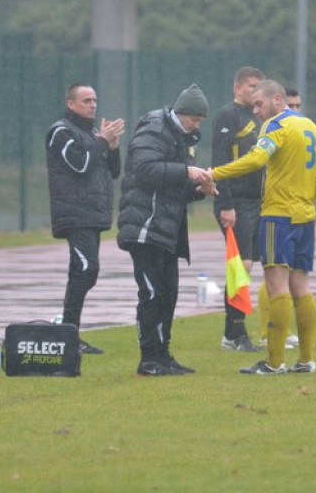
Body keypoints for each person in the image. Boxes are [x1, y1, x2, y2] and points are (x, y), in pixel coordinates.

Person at [210, 79, 316, 375]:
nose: (256, 111)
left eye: (259, 104)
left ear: (277, 100)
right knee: (301, 287)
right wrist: (306, 197)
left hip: (278, 216)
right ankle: (306, 359)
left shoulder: (275, 127)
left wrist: (215, 173)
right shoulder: (310, 126)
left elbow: (256, 159)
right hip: (305, 216)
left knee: (277, 286)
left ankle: (275, 362)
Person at [117, 84, 217, 376]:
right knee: (151, 293)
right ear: (181, 113)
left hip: (167, 228)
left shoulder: (184, 139)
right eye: (194, 120)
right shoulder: (153, 128)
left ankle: (163, 356)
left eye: (200, 122)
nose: (196, 126)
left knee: (169, 293)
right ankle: (149, 359)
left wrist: (201, 188)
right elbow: (145, 170)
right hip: (145, 226)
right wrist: (187, 171)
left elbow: (175, 188)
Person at [45, 84, 125, 355]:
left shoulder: (92, 134)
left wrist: (112, 146)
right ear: (71, 104)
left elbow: (113, 172)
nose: (92, 105)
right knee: (85, 269)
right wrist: (102, 140)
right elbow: (80, 164)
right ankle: (69, 334)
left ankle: (69, 334)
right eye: (86, 100)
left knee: (86, 271)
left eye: (95, 100)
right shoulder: (61, 132)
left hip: (92, 214)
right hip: (74, 213)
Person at [211, 66, 265, 353]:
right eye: (251, 86)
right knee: (240, 265)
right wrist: (226, 204)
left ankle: (235, 331)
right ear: (238, 87)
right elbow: (219, 161)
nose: (256, 92)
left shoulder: (258, 117)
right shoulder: (228, 115)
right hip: (237, 202)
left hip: (258, 201)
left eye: (260, 87)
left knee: (250, 264)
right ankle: (234, 333)